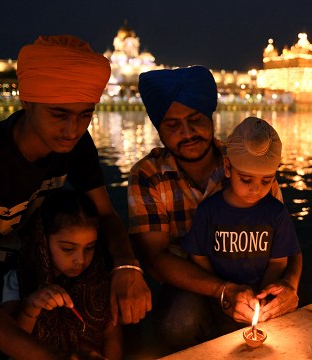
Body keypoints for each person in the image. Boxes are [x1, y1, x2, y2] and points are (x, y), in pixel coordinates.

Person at [0, 35, 150, 360]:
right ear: (26, 102)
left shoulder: (77, 146)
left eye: (85, 115)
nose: (73, 129)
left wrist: (128, 267)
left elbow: (106, 214)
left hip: (11, 257)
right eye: (60, 114)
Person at [129, 66, 301, 354]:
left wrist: (288, 287)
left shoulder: (249, 165)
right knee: (177, 323)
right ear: (158, 129)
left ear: (211, 117)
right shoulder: (149, 175)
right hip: (189, 281)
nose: (187, 133)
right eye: (172, 125)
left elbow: (283, 240)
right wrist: (223, 290)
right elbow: (155, 257)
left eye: (195, 120)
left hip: (254, 281)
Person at [182, 116, 301, 337]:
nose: (256, 189)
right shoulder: (209, 210)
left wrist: (262, 296)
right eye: (246, 179)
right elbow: (197, 256)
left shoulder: (275, 212)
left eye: (266, 181)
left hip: (261, 299)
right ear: (227, 167)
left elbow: (279, 261)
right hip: (221, 299)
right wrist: (222, 290)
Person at [1, 190, 122, 359]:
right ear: (43, 238)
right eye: (68, 249)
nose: (80, 260)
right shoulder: (20, 278)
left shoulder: (100, 277)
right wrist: (32, 306)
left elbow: (111, 334)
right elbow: (9, 344)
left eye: (89, 248)